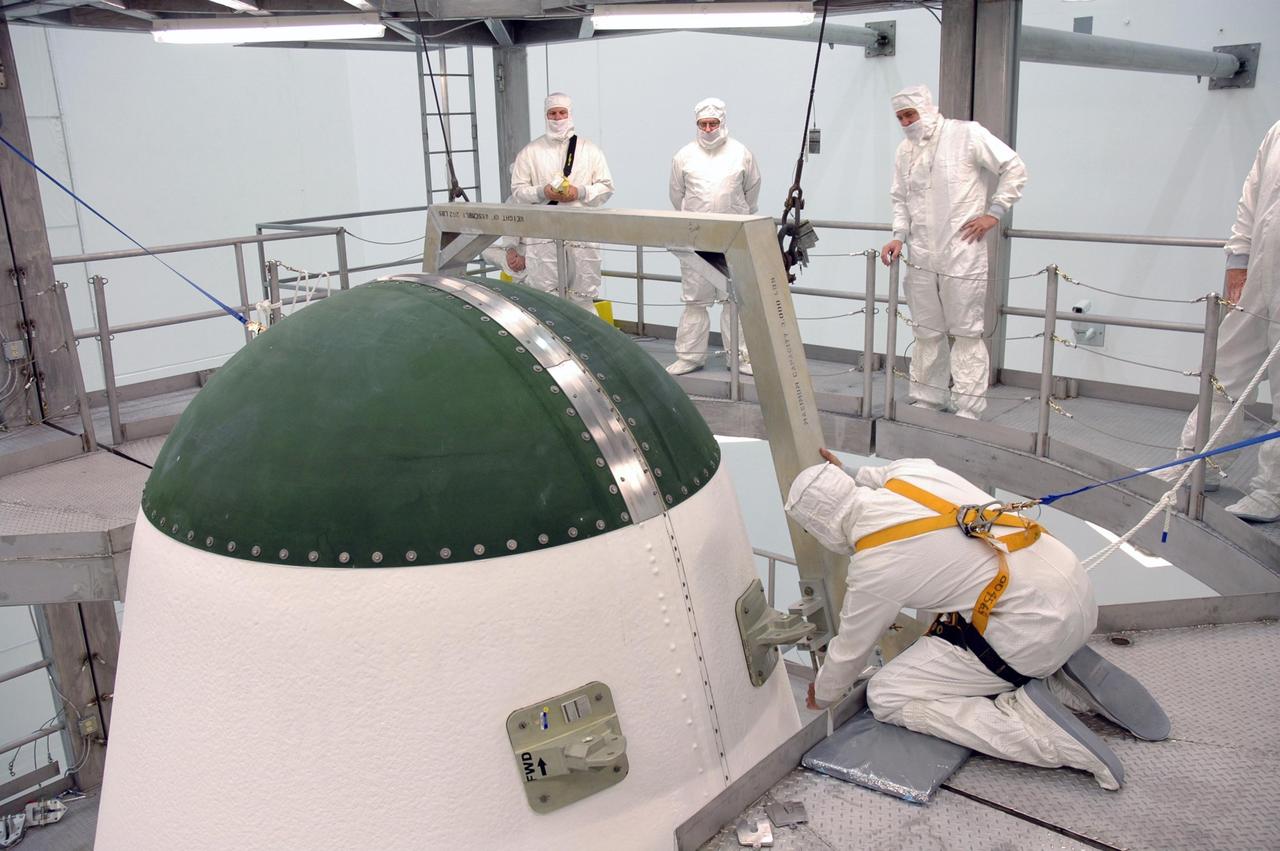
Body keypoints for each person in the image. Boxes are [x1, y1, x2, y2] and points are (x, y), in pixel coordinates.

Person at [784, 450, 1169, 789]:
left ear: (821, 525)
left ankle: (1032, 727)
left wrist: (825, 694)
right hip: (1073, 589)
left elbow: (851, 650)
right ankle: (1051, 670)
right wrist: (844, 470)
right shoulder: (912, 474)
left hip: (1033, 630)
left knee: (886, 695)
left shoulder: (875, 566)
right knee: (963, 606)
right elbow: (874, 476)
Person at [1153, 121, 1280, 523]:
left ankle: (1273, 492)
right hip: (1262, 272)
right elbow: (1254, 193)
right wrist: (1238, 259)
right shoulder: (1278, 131)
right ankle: (1196, 464)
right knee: (1224, 372)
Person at [880, 85, 1028, 420]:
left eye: (910, 114)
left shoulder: (966, 135)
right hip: (920, 253)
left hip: (961, 249)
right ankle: (929, 398)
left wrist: (995, 212)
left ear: (926, 109)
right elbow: (900, 198)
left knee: (965, 331)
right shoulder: (905, 151)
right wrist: (898, 236)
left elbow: (1014, 167)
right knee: (926, 330)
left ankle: (969, 406)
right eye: (900, 117)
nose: (906, 122)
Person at [666, 98, 761, 376]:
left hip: (732, 237)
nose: (708, 129)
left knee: (734, 299)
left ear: (723, 122)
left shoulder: (741, 153)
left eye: (713, 123)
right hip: (695, 239)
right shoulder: (684, 156)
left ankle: (740, 357)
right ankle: (690, 356)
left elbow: (751, 191)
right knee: (695, 300)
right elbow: (676, 195)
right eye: (703, 124)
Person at [510, 93, 614, 311]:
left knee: (583, 293)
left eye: (562, 112)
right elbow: (517, 192)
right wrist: (543, 192)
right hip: (543, 233)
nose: (557, 118)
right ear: (546, 116)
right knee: (544, 295)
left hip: (582, 231)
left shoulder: (590, 151)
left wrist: (580, 192)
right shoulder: (530, 153)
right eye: (552, 113)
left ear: (570, 114)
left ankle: (585, 343)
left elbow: (606, 186)